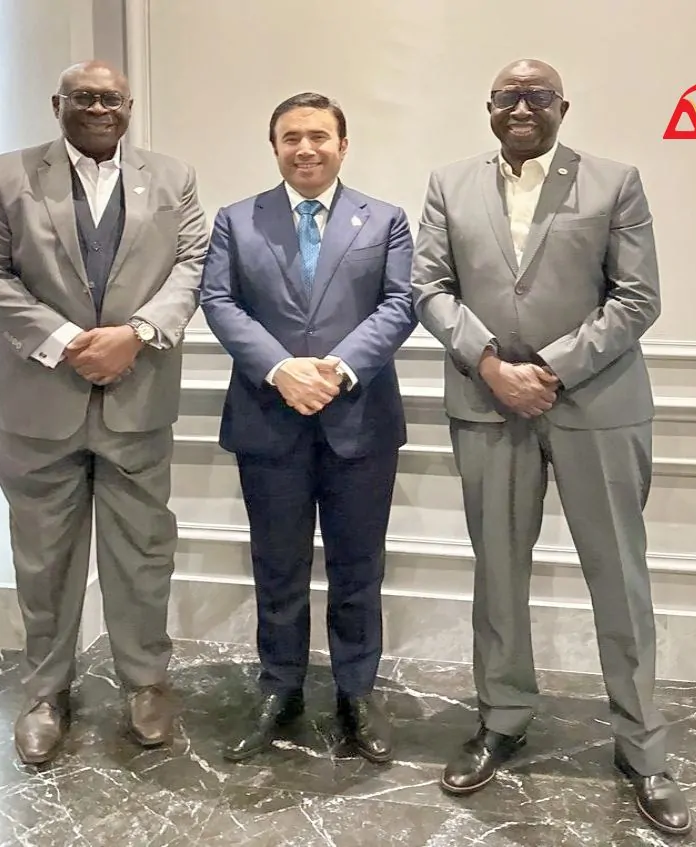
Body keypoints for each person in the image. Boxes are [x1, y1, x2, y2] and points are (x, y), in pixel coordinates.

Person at [411, 59, 691, 836]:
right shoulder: (449, 184)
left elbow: (638, 297)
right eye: (508, 95)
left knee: (619, 578)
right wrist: (492, 367)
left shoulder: (614, 182)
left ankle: (643, 749)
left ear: (563, 106)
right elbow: (428, 288)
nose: (521, 106)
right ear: (489, 107)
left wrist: (552, 369)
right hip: (487, 404)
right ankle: (501, 719)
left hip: (597, 406)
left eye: (537, 95)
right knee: (498, 572)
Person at [0, 60, 208, 765]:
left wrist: (138, 334)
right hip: (39, 405)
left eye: (112, 98)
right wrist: (66, 340)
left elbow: (193, 264)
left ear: (130, 105)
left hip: (138, 397)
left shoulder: (174, 177)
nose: (100, 108)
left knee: (143, 554)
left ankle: (146, 683)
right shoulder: (5, 175)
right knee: (43, 560)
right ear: (57, 103)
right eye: (85, 97)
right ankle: (45, 693)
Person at [200, 92, 416, 763]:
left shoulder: (386, 220)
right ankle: (279, 689)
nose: (305, 148)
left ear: (343, 145)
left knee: (359, 568)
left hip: (360, 421)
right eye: (291, 137)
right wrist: (281, 369)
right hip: (269, 419)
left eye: (319, 136)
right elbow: (218, 300)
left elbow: (400, 302)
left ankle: (358, 692)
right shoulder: (237, 220)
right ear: (274, 147)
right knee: (277, 567)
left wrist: (338, 369)